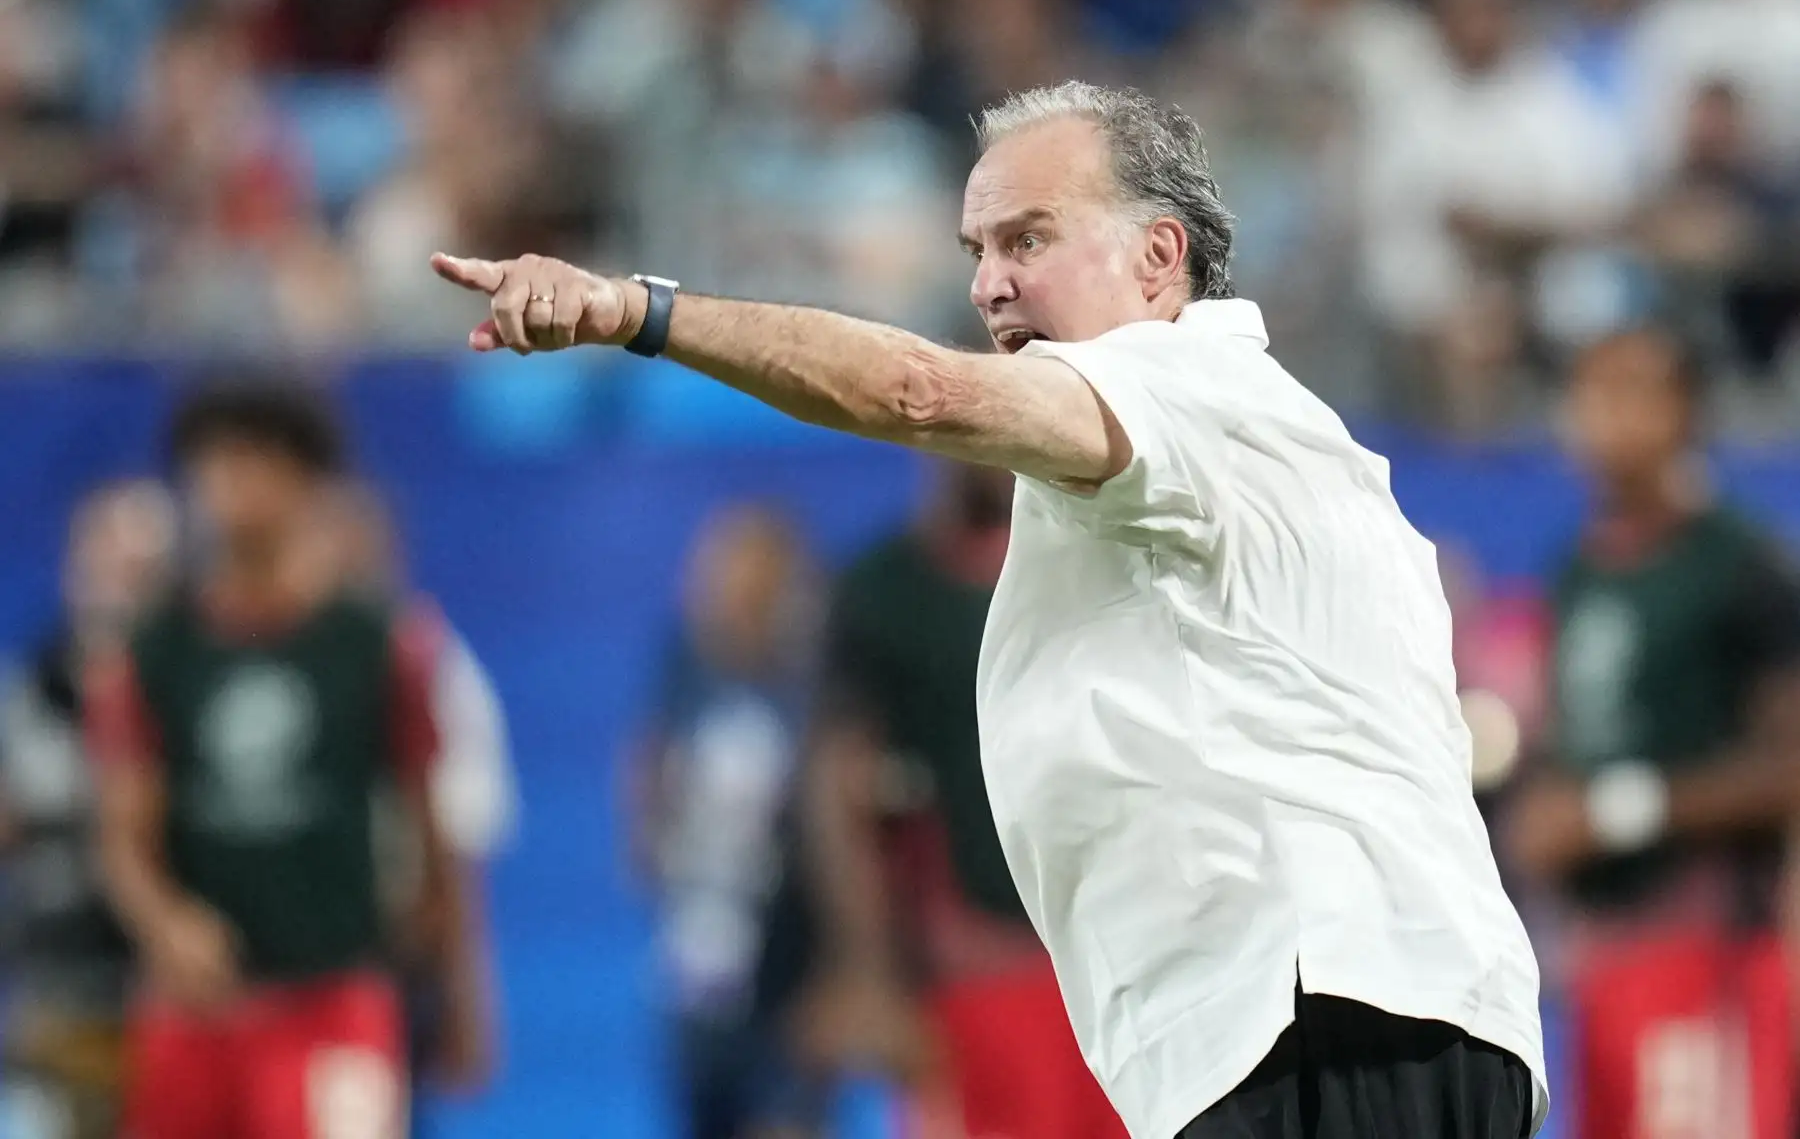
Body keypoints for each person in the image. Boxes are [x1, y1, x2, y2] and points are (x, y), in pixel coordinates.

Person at [431, 79, 1548, 1139]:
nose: (987, 286)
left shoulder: (1176, 390)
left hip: (1316, 1011)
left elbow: (920, 391)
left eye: (1029, 239)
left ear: (1159, 259)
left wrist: (638, 310)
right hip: (1387, 1012)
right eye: (977, 250)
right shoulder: (1284, 443)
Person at [85, 382, 477, 1139]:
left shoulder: (377, 646)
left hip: (334, 997)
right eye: (217, 462)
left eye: (260, 459)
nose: (236, 485)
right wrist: (166, 923)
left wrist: (456, 994)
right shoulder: (153, 652)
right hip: (195, 1014)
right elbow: (123, 833)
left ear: (308, 482)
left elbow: (434, 832)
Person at [1503, 326, 1800, 1139]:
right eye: (1588, 394)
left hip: (1709, 945)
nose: (1599, 418)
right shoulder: (1578, 568)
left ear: (1685, 412)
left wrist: (1612, 812)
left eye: (1629, 393)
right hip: (1602, 957)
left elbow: (1787, 768)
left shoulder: (1738, 564)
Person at [801, 460, 1124, 1139]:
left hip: (1122, 974)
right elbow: (840, 792)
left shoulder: (1103, 566)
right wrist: (869, 974)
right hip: (975, 978)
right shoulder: (885, 595)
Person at [632, 503, 823, 1139]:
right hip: (700, 973)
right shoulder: (684, 671)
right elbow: (649, 773)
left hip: (788, 981)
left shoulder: (812, 689)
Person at [325, 481, 508, 1133]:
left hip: (384, 970)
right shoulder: (243, 652)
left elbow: (459, 849)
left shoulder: (432, 667)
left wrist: (467, 997)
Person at [0, 479, 177, 1139]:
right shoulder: (27, 696)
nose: (122, 589)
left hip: (181, 1009)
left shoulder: (202, 694)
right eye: (107, 563)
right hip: (60, 1006)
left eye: (144, 571)